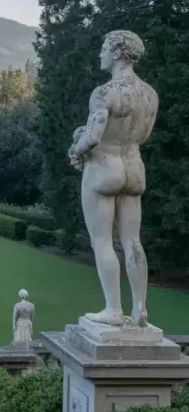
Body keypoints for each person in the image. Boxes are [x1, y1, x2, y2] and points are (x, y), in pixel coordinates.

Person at [68, 30, 158, 327]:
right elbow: (143, 136)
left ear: (118, 52)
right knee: (133, 241)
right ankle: (140, 309)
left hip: (104, 168)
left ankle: (113, 309)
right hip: (134, 168)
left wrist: (76, 147)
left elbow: (93, 137)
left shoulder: (105, 92)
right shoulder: (150, 95)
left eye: (104, 48)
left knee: (102, 241)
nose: (100, 54)